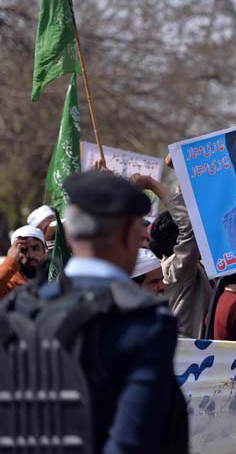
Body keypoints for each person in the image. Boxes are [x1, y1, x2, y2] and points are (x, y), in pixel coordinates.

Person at [28, 171, 186, 453]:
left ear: (72, 236)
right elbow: (133, 440)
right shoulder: (144, 325)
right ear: (127, 236)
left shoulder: (23, 309)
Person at [135, 173, 213, 339]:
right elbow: (190, 227)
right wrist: (151, 184)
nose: (162, 286)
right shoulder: (176, 270)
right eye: (154, 282)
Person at [0, 225, 46, 298]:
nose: (30, 256)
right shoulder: (9, 284)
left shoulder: (55, 277)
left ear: (44, 250)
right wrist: (10, 261)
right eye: (23, 250)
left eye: (35, 248)